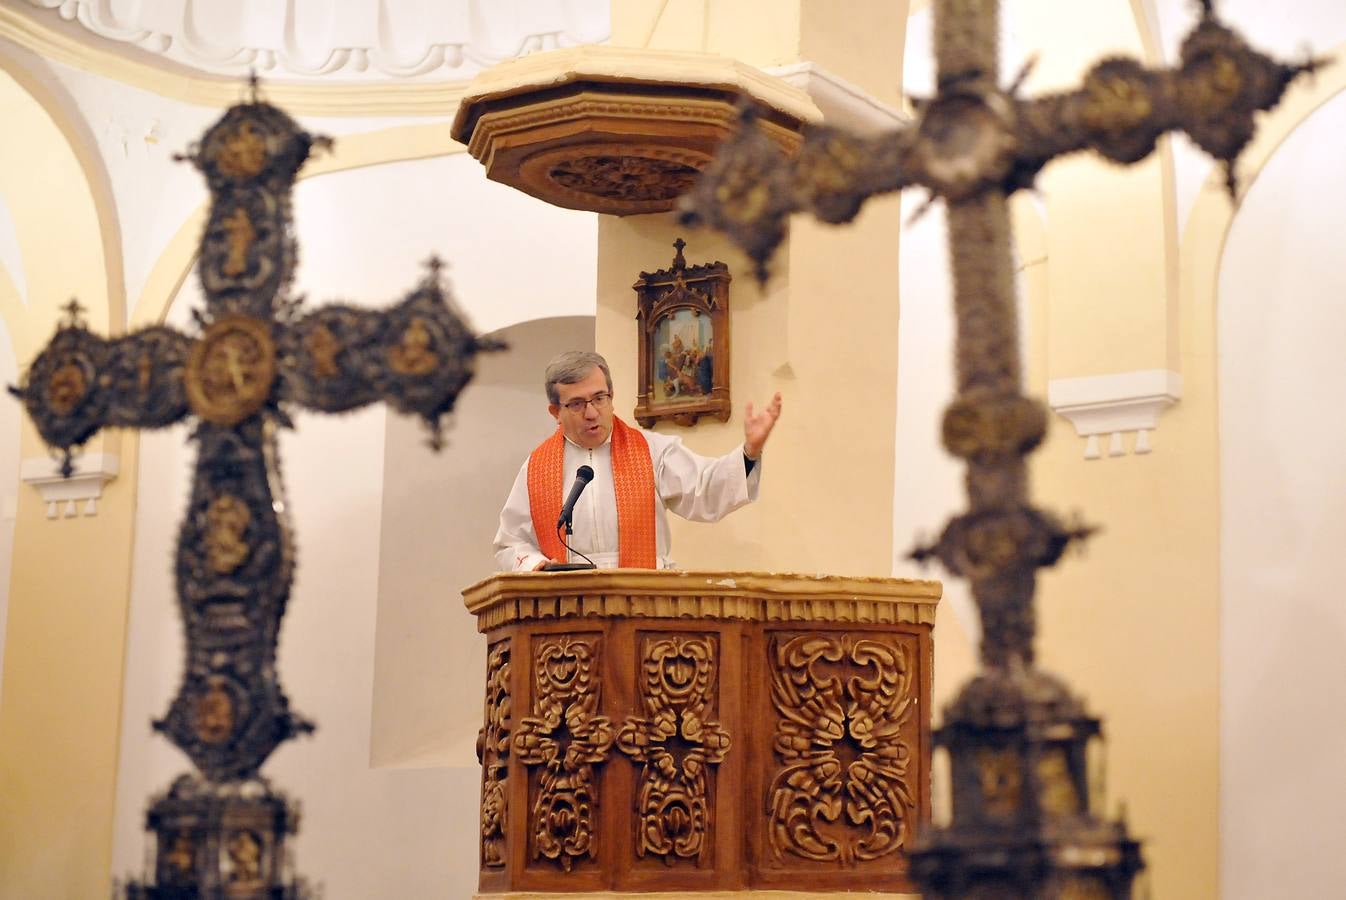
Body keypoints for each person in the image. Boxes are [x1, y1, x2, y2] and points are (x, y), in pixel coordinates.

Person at [493, 350, 782, 571]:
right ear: (555, 412)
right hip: (567, 613)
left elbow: (704, 489)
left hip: (643, 606)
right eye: (577, 404)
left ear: (612, 397)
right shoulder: (537, 468)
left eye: (599, 398)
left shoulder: (651, 450)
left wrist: (749, 452)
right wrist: (532, 565)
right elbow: (511, 542)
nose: (591, 412)